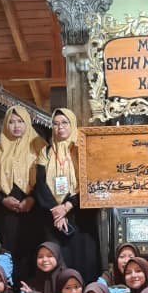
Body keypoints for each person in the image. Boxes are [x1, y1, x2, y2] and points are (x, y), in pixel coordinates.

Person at [36, 107, 101, 283]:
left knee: (83, 259)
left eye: (64, 123)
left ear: (72, 125)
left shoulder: (82, 149)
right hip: (54, 218)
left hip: (80, 214)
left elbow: (91, 182)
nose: (60, 127)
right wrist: (56, 210)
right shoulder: (46, 152)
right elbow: (40, 184)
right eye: (56, 124)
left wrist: (67, 206)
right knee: (59, 261)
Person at [0, 105, 47, 277]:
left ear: (27, 122)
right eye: (11, 122)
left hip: (33, 210)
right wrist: (2, 200)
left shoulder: (39, 147)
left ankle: (29, 289)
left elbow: (46, 178)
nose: (16, 126)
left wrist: (32, 199)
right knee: (7, 252)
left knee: (31, 251)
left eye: (20, 121)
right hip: (6, 212)